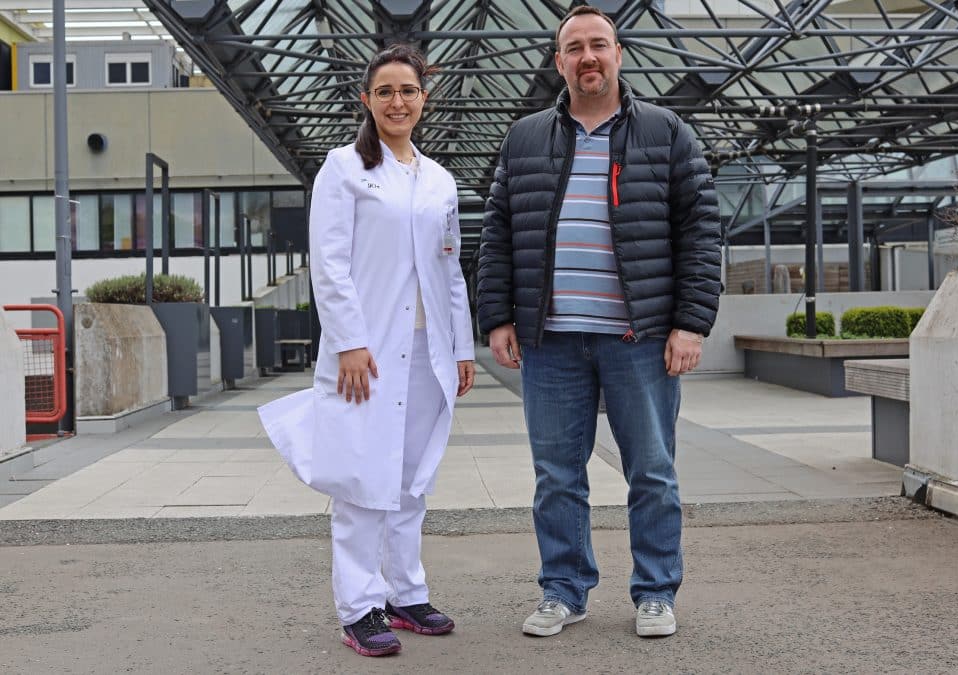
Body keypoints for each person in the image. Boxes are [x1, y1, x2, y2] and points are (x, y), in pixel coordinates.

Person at [476, 6, 722, 639]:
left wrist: (690, 324)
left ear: (618, 54)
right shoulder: (525, 137)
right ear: (558, 62)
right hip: (551, 340)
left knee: (652, 470)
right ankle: (564, 589)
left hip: (637, 338)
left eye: (599, 45)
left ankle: (656, 590)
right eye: (574, 48)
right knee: (556, 475)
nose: (588, 57)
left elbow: (700, 232)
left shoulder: (667, 133)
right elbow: (497, 234)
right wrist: (497, 316)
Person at [257, 44, 475, 658]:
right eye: (385, 92)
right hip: (369, 353)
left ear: (424, 99)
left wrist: (461, 345)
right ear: (367, 100)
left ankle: (406, 594)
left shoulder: (438, 179)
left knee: (410, 480)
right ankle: (359, 608)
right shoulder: (344, 168)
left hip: (428, 350)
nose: (398, 101)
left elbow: (450, 268)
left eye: (408, 90)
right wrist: (349, 342)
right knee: (361, 479)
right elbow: (328, 264)